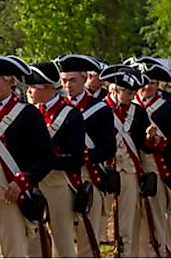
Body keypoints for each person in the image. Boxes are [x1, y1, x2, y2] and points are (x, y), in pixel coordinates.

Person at [0, 55, 55, 258]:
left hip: (13, 195)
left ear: (11, 81)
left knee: (14, 252)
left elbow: (45, 157)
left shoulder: (28, 114)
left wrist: (22, 182)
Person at [55, 54, 116, 258]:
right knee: (61, 240)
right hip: (62, 179)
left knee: (88, 241)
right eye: (64, 81)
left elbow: (109, 147)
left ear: (84, 78)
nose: (67, 85)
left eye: (72, 80)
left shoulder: (100, 109)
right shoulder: (57, 108)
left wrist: (85, 156)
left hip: (90, 175)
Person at [99, 64, 162, 258]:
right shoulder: (100, 110)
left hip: (129, 170)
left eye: (132, 92)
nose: (130, 96)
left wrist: (150, 138)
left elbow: (144, 145)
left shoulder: (138, 112)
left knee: (127, 222)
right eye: (126, 92)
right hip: (105, 170)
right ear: (116, 89)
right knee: (100, 219)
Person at [128, 57, 171, 257]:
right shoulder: (128, 106)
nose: (147, 87)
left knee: (159, 216)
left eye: (152, 83)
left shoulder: (170, 106)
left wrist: (161, 143)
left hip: (157, 165)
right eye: (144, 83)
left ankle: (162, 253)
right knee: (135, 219)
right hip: (131, 166)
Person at [24, 61, 85, 258]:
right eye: (30, 87)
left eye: (35, 87)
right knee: (32, 238)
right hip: (32, 181)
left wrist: (45, 161)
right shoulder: (27, 114)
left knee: (62, 238)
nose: (31, 91)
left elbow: (75, 157)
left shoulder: (70, 115)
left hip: (59, 181)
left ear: (50, 88)